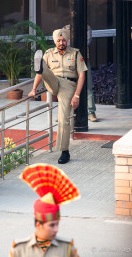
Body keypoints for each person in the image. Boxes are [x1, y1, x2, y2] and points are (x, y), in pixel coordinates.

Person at [28, 28, 87, 164]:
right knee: (44, 71)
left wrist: (77, 96)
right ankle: (40, 65)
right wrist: (33, 89)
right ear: (55, 41)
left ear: (67, 41)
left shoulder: (76, 53)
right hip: (53, 82)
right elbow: (39, 75)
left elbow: (82, 75)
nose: (61, 43)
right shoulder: (49, 53)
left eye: (63, 40)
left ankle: (64, 151)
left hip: (68, 85)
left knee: (63, 118)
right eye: (58, 41)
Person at [9, 163, 80, 257]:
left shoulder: (67, 248)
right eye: (52, 225)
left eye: (57, 224)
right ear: (39, 225)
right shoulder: (20, 249)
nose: (56, 229)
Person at [87, 25, 98, 122]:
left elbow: (87, 41)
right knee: (69, 88)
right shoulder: (65, 28)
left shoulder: (87, 28)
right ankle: (67, 113)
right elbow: (66, 44)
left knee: (88, 87)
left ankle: (91, 112)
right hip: (70, 61)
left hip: (84, 60)